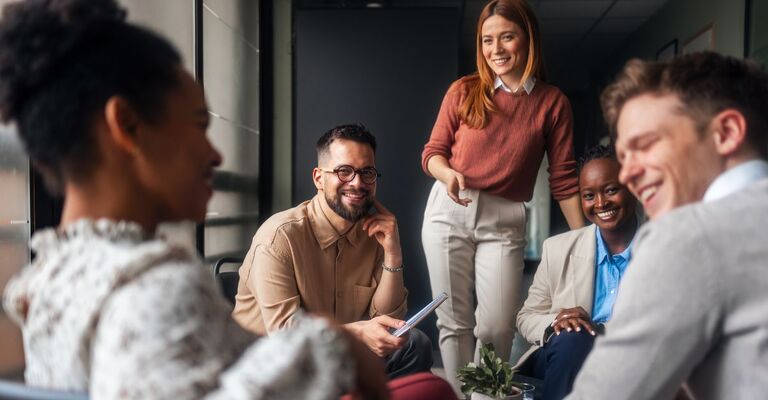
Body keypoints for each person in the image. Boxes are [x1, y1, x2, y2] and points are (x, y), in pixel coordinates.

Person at [0, 1, 455, 399]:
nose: (215, 153)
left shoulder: (50, 281)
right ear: (128, 127)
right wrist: (335, 347)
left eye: (367, 172)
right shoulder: (158, 288)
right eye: (199, 125)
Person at [566, 52, 768, 400]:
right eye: (624, 157)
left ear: (727, 132)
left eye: (643, 145)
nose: (627, 174)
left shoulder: (688, 236)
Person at [420, 0, 584, 392]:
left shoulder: (552, 103)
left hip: (504, 217)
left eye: (507, 37)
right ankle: (464, 395)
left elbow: (562, 178)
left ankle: (486, 393)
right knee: (453, 322)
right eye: (487, 40)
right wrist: (448, 174)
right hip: (449, 208)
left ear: (528, 41)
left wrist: (586, 241)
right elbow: (432, 153)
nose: (496, 49)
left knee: (496, 325)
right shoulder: (464, 91)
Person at [233, 123, 433, 380]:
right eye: (344, 171)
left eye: (367, 172)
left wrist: (393, 253)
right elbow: (285, 334)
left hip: (331, 358)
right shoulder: (279, 236)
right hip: (272, 369)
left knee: (414, 344)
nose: (357, 183)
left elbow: (387, 323)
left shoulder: (374, 234)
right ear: (318, 178)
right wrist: (359, 332)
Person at [515, 145, 640, 400]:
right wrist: (557, 322)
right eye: (589, 195)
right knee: (573, 337)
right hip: (564, 357)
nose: (601, 203)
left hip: (631, 360)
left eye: (611, 190)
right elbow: (526, 317)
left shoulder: (661, 250)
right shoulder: (558, 249)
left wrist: (598, 329)